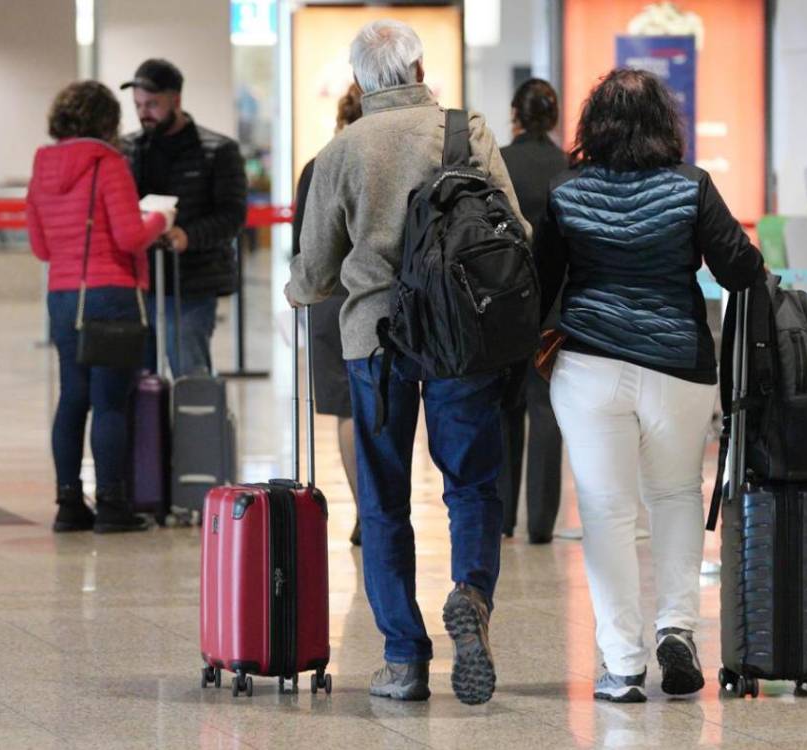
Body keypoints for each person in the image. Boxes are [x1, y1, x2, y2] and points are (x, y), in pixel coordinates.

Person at [286, 19, 527, 706]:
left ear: (360, 82)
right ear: (420, 69)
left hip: (377, 341)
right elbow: (516, 229)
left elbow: (316, 273)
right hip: (461, 337)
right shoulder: (465, 131)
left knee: (385, 500)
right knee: (471, 483)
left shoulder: (341, 150)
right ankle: (471, 595)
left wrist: (298, 288)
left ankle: (403, 659)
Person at [534, 69, 763, 703]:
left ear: (592, 126)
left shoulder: (564, 191)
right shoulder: (691, 188)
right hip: (677, 368)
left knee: (606, 513)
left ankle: (623, 663)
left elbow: (540, 283)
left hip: (590, 368)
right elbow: (741, 270)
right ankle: (678, 629)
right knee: (674, 497)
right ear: (666, 123)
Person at [26, 81, 177, 534]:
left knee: (72, 398)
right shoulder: (108, 163)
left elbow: (39, 246)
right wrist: (161, 218)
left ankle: (69, 503)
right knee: (110, 400)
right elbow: (130, 237)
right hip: (110, 294)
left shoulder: (42, 165)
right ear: (107, 121)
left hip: (63, 295)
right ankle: (112, 504)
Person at [120, 59, 248, 377]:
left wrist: (187, 236)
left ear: (175, 100)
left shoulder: (218, 151)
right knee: (138, 380)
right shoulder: (127, 149)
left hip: (193, 282)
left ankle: (195, 428)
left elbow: (232, 215)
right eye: (138, 105)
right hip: (139, 280)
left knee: (190, 372)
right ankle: (149, 430)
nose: (144, 112)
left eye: (153, 104)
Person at [292, 83, 364, 548]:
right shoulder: (388, 162)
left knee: (346, 410)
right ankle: (384, 505)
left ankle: (365, 512)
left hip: (330, 300)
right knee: (383, 405)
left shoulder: (318, 166)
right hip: (379, 298)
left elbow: (304, 246)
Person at [497, 79, 567, 545]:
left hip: (504, 297)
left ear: (514, 115)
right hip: (557, 303)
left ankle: (502, 517)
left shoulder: (497, 161)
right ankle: (541, 523)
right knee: (546, 411)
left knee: (505, 407)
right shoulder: (569, 167)